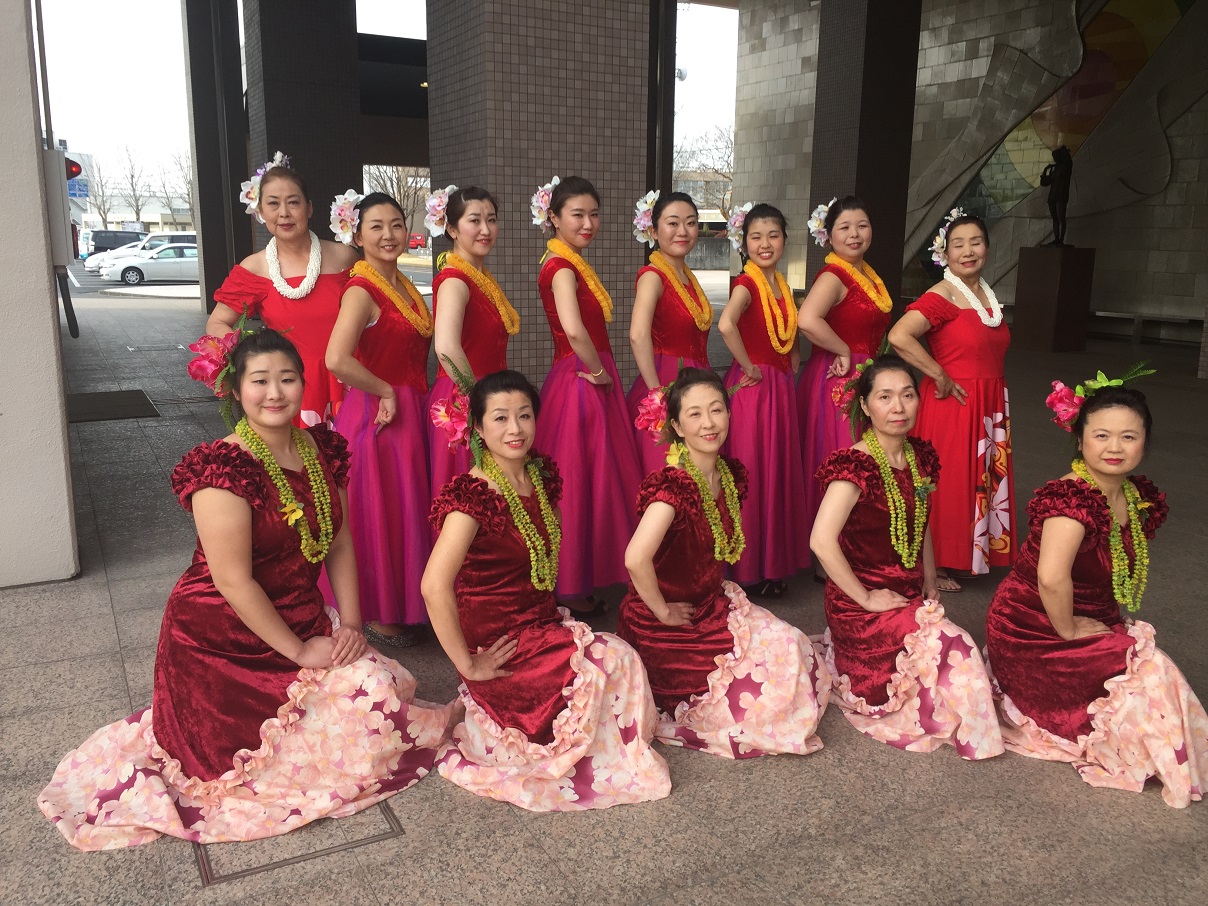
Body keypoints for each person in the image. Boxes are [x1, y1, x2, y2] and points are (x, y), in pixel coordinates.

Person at [39, 330, 451, 851]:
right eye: (260, 381)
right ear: (237, 390)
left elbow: (340, 541)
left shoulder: (321, 449)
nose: (274, 393)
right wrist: (300, 651)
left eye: (287, 379)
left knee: (381, 692)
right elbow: (233, 580)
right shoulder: (223, 469)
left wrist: (350, 623)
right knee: (343, 735)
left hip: (303, 614)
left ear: (303, 383)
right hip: (222, 639)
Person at [422, 370, 672, 811]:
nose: (515, 429)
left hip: (540, 623)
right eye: (500, 418)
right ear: (477, 427)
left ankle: (595, 743)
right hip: (500, 640)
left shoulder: (537, 477)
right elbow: (433, 586)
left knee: (619, 661)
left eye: (524, 415)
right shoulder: (472, 496)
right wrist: (468, 663)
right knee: (614, 659)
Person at [985, 378, 1206, 807]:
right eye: (1101, 435)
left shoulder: (1133, 494)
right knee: (1152, 670)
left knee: (1149, 672)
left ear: (1145, 441)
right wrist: (1069, 630)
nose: (1114, 447)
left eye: (1129, 436)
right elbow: (1051, 579)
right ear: (1080, 439)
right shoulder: (1071, 499)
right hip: (1034, 625)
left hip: (1090, 614)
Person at [618, 367, 830, 758]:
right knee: (756, 694)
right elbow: (635, 558)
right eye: (695, 414)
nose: (709, 423)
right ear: (677, 427)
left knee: (792, 645)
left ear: (729, 414)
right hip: (670, 626)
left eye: (716, 410)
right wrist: (662, 611)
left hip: (712, 605)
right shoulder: (673, 485)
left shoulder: (726, 475)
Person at [810, 355, 1004, 759]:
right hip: (860, 604)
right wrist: (866, 597)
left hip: (907, 593)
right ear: (865, 406)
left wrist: (929, 579)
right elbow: (821, 541)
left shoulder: (917, 457)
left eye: (907, 395)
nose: (898, 407)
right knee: (959, 647)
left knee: (946, 657)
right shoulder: (856, 466)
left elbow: (921, 523)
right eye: (884, 397)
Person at [325, 192, 433, 648]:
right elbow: (336, 358)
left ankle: (408, 603)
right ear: (356, 234)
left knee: (407, 509)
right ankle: (381, 612)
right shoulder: (360, 290)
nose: (388, 235)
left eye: (396, 224)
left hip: (412, 410)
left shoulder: (402, 284)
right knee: (382, 512)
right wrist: (385, 389)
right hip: (378, 417)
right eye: (376, 226)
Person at [532, 175, 644, 608]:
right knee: (582, 479)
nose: (588, 223)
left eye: (594, 214)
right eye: (577, 214)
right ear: (554, 217)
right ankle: (575, 582)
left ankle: (584, 577)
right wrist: (598, 371)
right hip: (582, 376)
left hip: (582, 371)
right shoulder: (561, 267)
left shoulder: (569, 261)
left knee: (591, 477)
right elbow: (574, 329)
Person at [889, 212, 1015, 591]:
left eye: (976, 242)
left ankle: (968, 554)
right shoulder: (942, 295)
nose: (968, 251)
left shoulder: (985, 294)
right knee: (950, 482)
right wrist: (938, 373)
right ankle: (938, 563)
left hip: (989, 402)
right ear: (945, 253)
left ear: (987, 248)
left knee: (977, 479)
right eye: (958, 245)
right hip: (954, 404)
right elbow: (899, 335)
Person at [204, 155, 357, 427]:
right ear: (261, 212)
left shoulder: (344, 257)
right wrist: (255, 360)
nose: (284, 213)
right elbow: (217, 322)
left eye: (293, 202)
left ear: (309, 208)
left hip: (349, 381)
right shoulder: (254, 268)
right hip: (289, 388)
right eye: (273, 203)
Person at [718, 202, 810, 596]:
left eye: (773, 235)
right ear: (745, 242)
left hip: (778, 387)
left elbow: (789, 331)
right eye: (756, 236)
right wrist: (747, 364)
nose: (765, 243)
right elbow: (726, 324)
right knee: (753, 473)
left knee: (776, 473)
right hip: (753, 391)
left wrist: (793, 357)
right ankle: (748, 569)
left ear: (785, 241)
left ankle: (771, 563)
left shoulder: (781, 285)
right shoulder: (747, 283)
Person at [796, 197, 892, 555]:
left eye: (862, 226)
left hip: (865, 376)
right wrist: (843, 349)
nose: (854, 234)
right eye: (844, 228)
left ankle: (857, 547)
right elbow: (807, 319)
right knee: (843, 461)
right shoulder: (833, 276)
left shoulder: (865, 274)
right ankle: (831, 553)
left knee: (865, 460)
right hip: (839, 378)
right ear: (829, 236)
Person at [427, 186, 519, 493]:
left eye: (491, 220)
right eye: (474, 220)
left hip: (487, 396)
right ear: (452, 229)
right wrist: (478, 401)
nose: (486, 229)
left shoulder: (479, 278)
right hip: (463, 399)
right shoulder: (455, 280)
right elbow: (445, 348)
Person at [627, 191, 713, 474]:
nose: (683, 231)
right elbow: (638, 335)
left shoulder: (686, 276)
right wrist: (658, 396)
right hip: (667, 382)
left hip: (697, 381)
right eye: (673, 223)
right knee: (671, 473)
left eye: (691, 223)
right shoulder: (653, 276)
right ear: (653, 231)